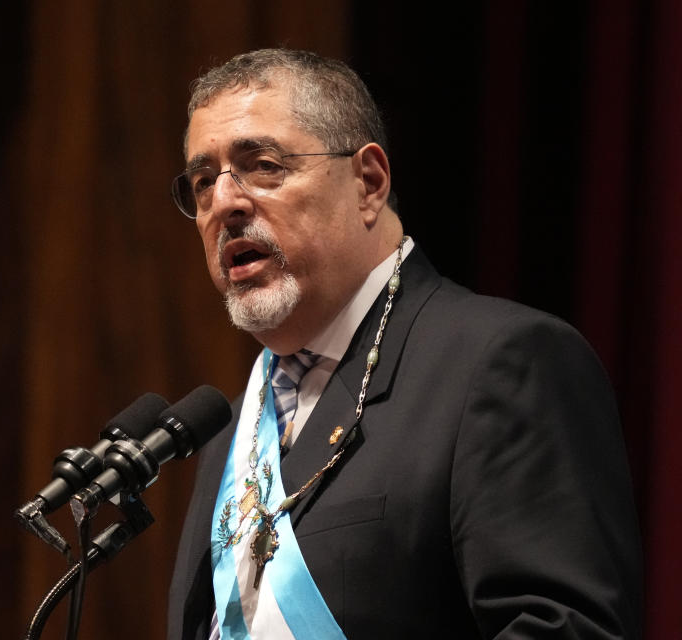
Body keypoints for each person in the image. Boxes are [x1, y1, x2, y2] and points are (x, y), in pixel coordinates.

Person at [166, 49, 642, 639]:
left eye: (263, 165)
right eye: (203, 181)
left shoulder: (502, 363)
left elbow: (567, 628)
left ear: (368, 182)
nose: (225, 203)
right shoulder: (230, 438)